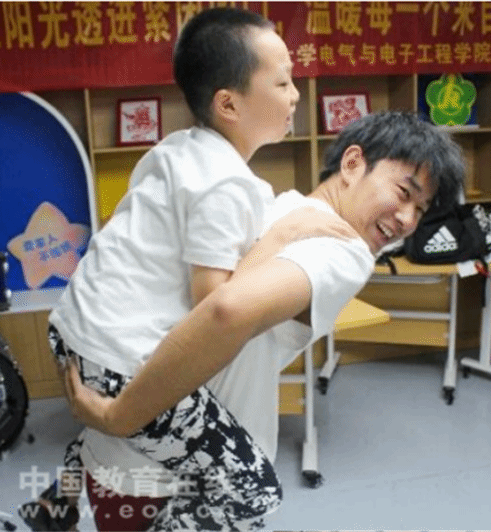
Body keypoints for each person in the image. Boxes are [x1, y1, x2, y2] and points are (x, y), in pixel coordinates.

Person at [18, 7, 356, 532]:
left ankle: (55, 503)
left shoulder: (176, 149)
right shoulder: (227, 183)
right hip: (120, 365)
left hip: (73, 334)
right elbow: (216, 306)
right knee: (253, 490)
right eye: (283, 82)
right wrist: (285, 234)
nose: (295, 95)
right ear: (228, 103)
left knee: (122, 436)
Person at [62, 109, 466, 531]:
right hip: (183, 480)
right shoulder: (344, 252)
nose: (408, 220)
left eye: (421, 209)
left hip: (115, 459)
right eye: (403, 192)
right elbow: (225, 310)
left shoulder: (276, 203)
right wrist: (121, 416)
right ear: (352, 163)